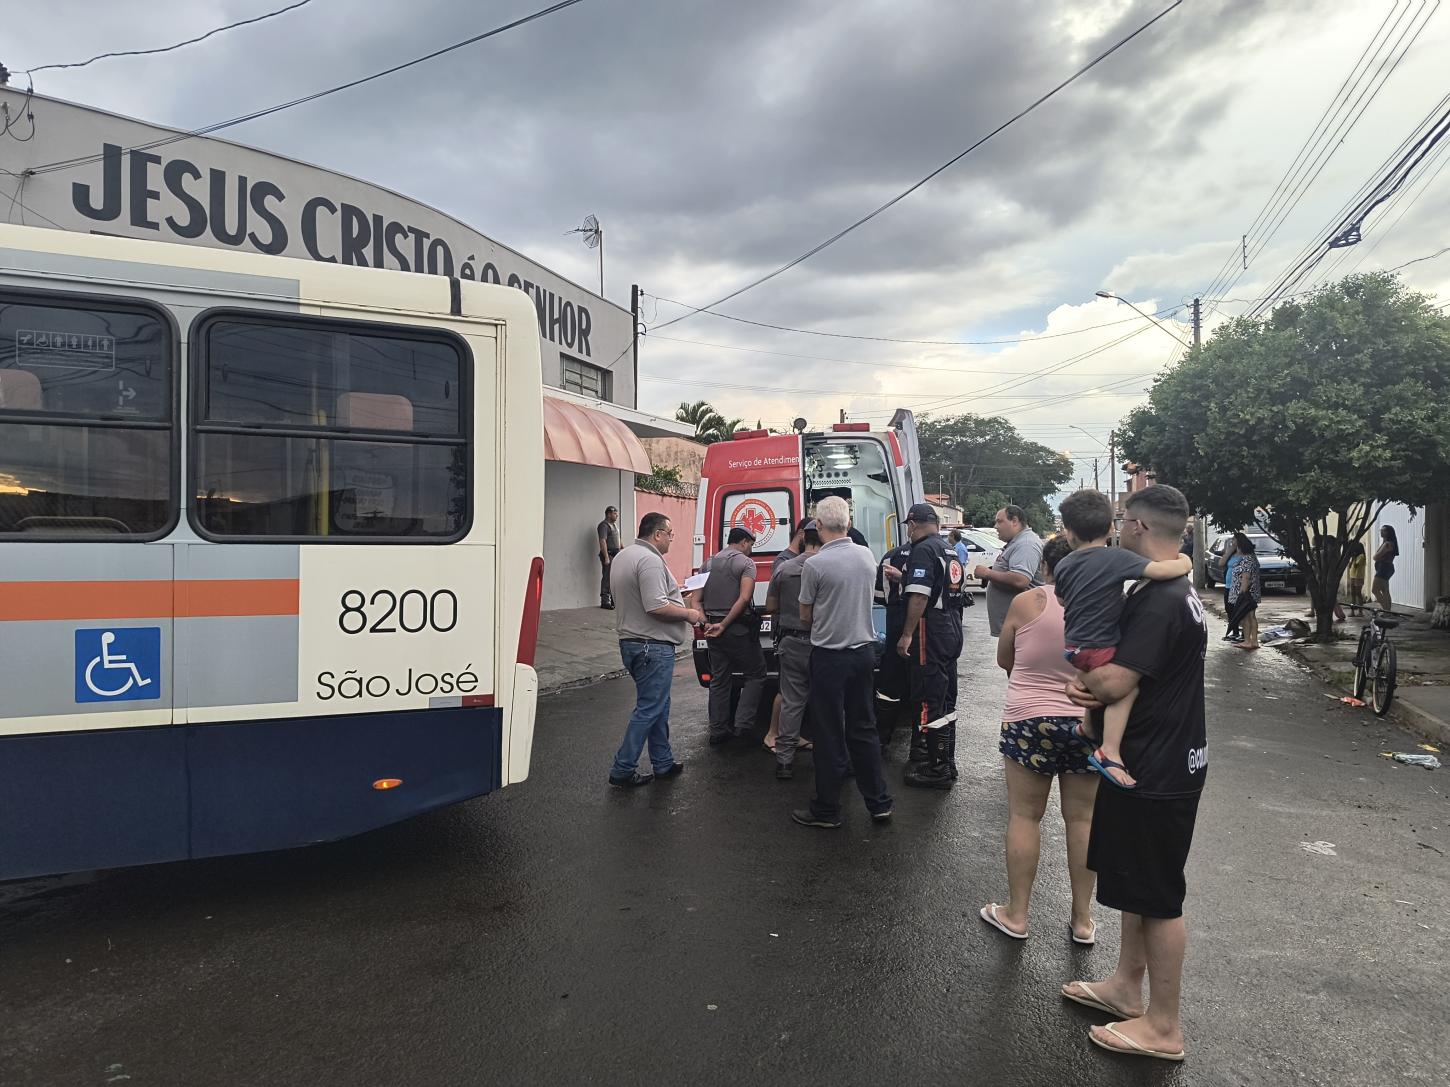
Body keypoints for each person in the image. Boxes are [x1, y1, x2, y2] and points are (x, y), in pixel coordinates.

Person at [1061, 483, 1208, 1064]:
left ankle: (1164, 1026)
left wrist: (1086, 687)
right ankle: (1126, 987)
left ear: (1140, 528)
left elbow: (1116, 681)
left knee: (1159, 897)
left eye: (1125, 521)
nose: (1119, 528)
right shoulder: (1177, 586)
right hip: (1161, 756)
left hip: (1154, 766)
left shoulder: (1158, 599)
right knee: (1136, 885)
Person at [979, 536, 1099, 943]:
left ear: (1047, 568)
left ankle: (1017, 915)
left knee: (1025, 816)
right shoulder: (1103, 607)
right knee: (1082, 819)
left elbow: (1004, 659)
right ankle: (1082, 920)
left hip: (1029, 719)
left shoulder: (1026, 604)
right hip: (1087, 720)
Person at [1053, 490, 1191, 790]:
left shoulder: (1064, 564)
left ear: (1069, 533)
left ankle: (1088, 727)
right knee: (1126, 692)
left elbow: (1062, 600)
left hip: (1074, 645)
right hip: (1098, 646)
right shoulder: (1115, 558)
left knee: (1094, 669)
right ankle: (1109, 750)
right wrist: (1185, 562)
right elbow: (1159, 570)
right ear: (1110, 528)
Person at [791, 496, 894, 828]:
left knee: (829, 732)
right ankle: (879, 803)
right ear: (848, 524)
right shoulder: (866, 556)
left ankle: (827, 809)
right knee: (864, 729)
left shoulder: (816, 565)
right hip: (864, 654)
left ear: (818, 526)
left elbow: (805, 616)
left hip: (830, 657)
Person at [606, 513, 703, 788]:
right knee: (649, 709)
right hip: (651, 645)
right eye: (670, 533)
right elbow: (655, 606)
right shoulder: (649, 560)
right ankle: (623, 768)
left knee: (658, 705)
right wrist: (689, 614)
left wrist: (676, 595)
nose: (672, 538)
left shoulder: (625, 556)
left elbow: (647, 598)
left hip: (633, 642)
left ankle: (663, 762)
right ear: (657, 534)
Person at [897, 503, 968, 790]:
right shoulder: (948, 549)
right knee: (947, 694)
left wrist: (907, 634)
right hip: (951, 624)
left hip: (931, 628)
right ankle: (946, 760)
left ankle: (936, 767)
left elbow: (919, 596)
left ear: (913, 524)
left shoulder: (924, 550)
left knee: (929, 696)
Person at [764, 522, 823, 779]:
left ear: (802, 539)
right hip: (822, 644)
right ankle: (829, 758)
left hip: (791, 642)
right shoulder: (827, 568)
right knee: (827, 701)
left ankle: (784, 761)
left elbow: (770, 606)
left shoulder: (784, 569)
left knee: (791, 701)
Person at [701, 527, 767, 745]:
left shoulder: (708, 563)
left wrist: (707, 623)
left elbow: (695, 599)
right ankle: (743, 726)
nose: (751, 550)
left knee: (719, 680)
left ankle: (718, 730)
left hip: (713, 631)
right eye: (751, 545)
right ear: (745, 542)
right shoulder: (746, 564)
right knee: (755, 674)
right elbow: (745, 598)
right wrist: (725, 624)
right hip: (738, 630)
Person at [874, 532, 915, 756]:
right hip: (926, 628)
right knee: (921, 686)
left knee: (890, 684)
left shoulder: (891, 557)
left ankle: (881, 739)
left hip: (895, 622)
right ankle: (920, 747)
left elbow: (879, 597)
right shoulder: (937, 554)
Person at [978, 505, 1043, 637]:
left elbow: (1021, 579)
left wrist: (988, 573)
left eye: (1000, 521)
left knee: (1014, 658)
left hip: (1022, 628)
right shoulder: (1017, 542)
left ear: (1014, 521)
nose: (995, 526)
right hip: (1016, 628)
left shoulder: (1026, 544)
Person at [1224, 533, 1262, 650]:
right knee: (1251, 616)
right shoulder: (1252, 557)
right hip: (1252, 592)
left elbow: (1245, 578)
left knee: (1246, 617)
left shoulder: (1246, 560)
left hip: (1246, 593)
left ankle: (1248, 641)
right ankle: (1253, 641)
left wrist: (1242, 594)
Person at [597, 506, 622, 609]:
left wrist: (623, 550)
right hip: (609, 554)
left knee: (614, 578)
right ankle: (605, 601)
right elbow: (602, 541)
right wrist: (606, 557)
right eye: (615, 513)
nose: (617, 515)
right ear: (609, 514)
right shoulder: (604, 525)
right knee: (607, 577)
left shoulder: (614, 526)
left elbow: (619, 539)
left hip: (616, 554)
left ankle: (612, 600)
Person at [1372, 525, 1399, 613]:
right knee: (1385, 590)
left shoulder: (1388, 544)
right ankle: (1388, 612)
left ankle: (1386, 611)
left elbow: (1375, 557)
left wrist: (1376, 557)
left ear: (1388, 532)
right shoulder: (1387, 542)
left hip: (1384, 568)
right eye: (1381, 530)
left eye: (1383, 530)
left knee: (1375, 590)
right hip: (1386, 568)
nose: (1381, 532)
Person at [1347, 539, 1368, 609]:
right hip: (1352, 576)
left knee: (1358, 593)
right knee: (1352, 593)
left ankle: (1360, 610)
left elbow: (1356, 565)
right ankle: (1352, 610)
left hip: (1359, 577)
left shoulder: (1361, 556)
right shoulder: (1354, 557)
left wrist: (1353, 557)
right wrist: (1352, 558)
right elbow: (1350, 566)